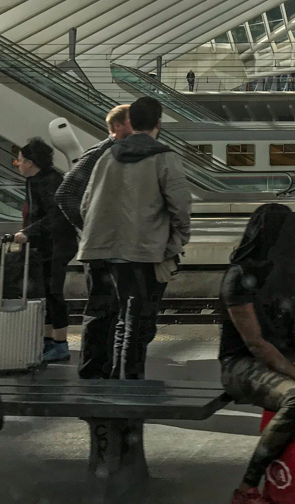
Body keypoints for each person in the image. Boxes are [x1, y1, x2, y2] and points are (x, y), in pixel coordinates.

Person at [219, 204, 295, 504]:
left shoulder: (283, 271)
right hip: (241, 364)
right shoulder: (239, 276)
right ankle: (248, 487)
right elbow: (255, 343)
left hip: (283, 354)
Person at [79, 97, 191, 380]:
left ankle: (109, 377)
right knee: (139, 321)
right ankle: (129, 381)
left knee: (118, 320)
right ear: (158, 123)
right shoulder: (163, 157)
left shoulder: (107, 156)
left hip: (102, 251)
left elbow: (85, 204)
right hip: (144, 252)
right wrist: (174, 244)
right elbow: (180, 207)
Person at [55, 104, 133, 378]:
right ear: (119, 126)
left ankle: (102, 369)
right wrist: (91, 228)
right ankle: (93, 374)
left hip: (109, 246)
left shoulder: (118, 154)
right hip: (102, 250)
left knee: (110, 311)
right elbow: (65, 194)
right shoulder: (101, 153)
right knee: (102, 311)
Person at [12, 138, 78, 363]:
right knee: (45, 292)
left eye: (18, 161)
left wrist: (28, 232)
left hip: (56, 245)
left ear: (30, 162)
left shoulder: (50, 182)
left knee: (54, 292)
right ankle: (49, 339)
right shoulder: (36, 180)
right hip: (45, 246)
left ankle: (60, 343)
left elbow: (54, 216)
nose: (17, 164)